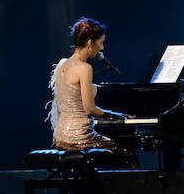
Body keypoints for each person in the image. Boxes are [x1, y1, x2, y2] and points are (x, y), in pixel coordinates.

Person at [46, 17, 134, 163]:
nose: (102, 48)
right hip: (78, 137)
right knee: (127, 155)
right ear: (89, 43)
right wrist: (119, 117)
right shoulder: (85, 68)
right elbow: (90, 109)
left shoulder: (63, 64)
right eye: (101, 43)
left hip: (61, 137)